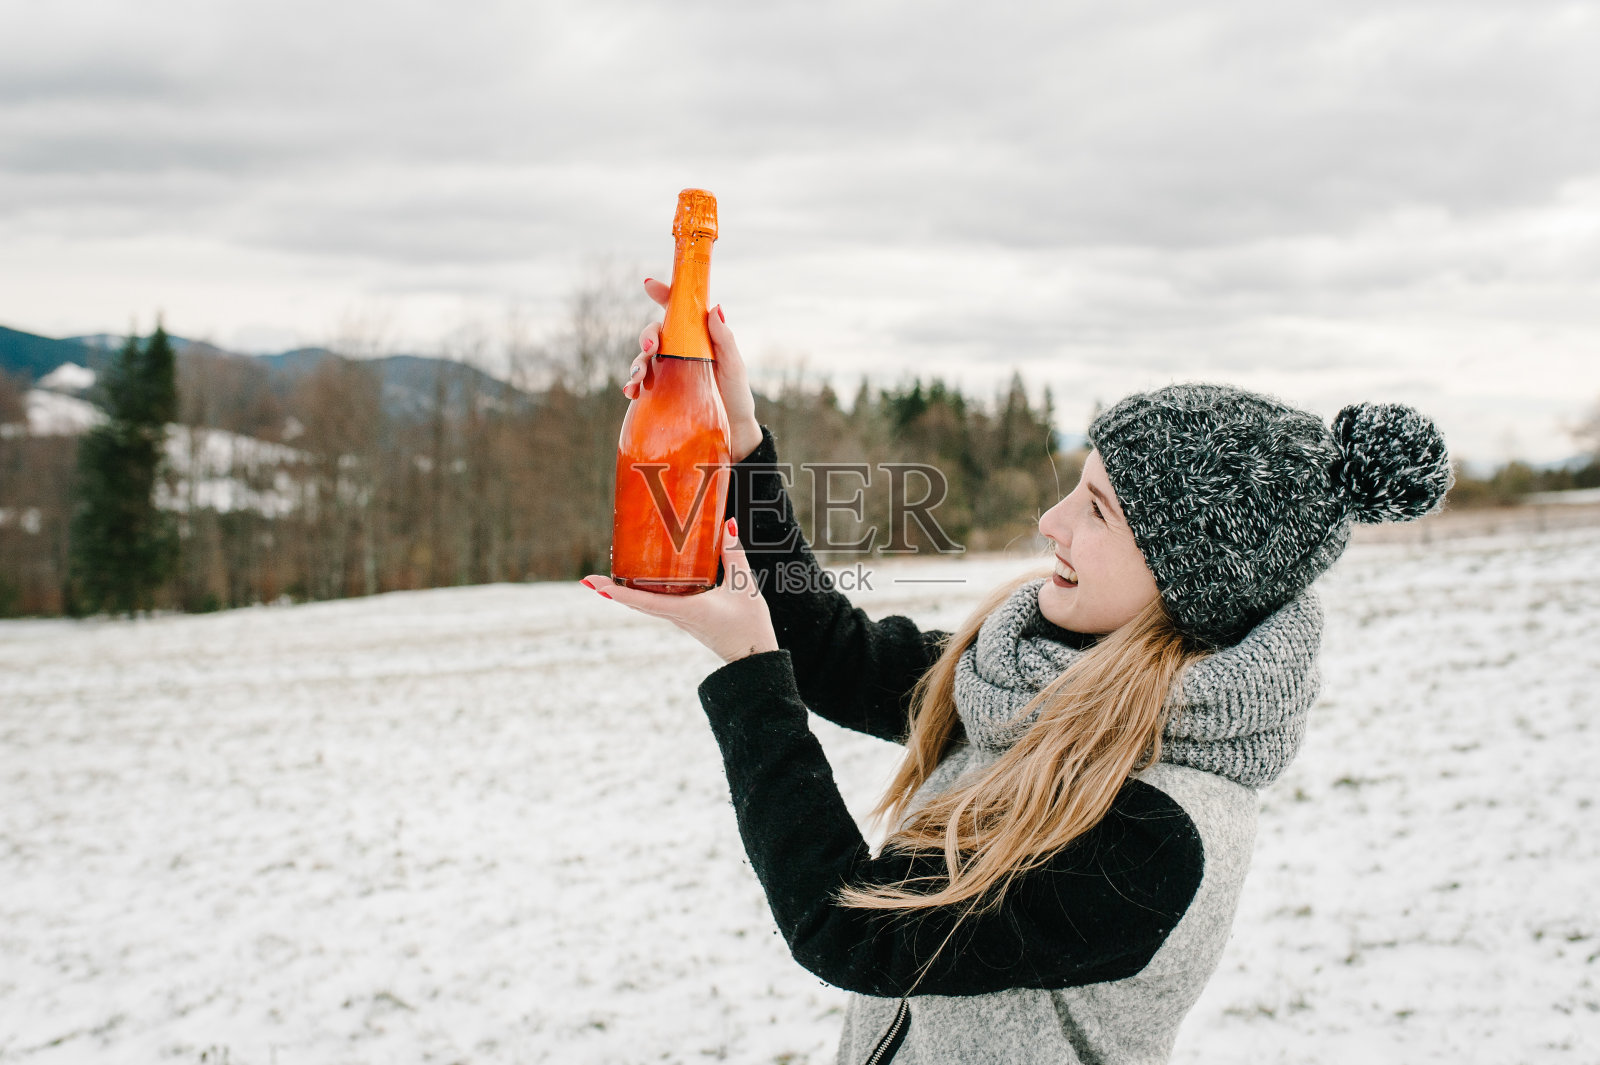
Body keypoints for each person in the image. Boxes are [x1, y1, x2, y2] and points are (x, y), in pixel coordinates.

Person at [583, 282, 1453, 1065]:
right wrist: (739, 442)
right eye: (1076, 486)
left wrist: (748, 673)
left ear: (1186, 583)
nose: (1051, 520)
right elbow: (838, 656)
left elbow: (851, 927)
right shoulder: (1031, 674)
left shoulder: (1162, 834)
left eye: (1097, 511)